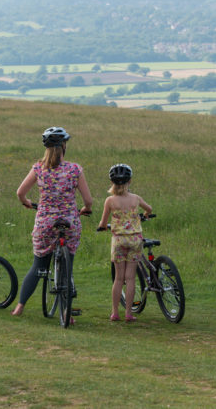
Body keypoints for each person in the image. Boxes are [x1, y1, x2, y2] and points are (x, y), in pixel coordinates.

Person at [11, 126, 93, 318]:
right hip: (70, 221)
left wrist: (27, 203)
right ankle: (67, 313)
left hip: (45, 222)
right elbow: (88, 201)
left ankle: (20, 307)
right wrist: (86, 209)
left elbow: (20, 193)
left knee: (38, 266)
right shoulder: (75, 169)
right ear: (64, 146)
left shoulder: (38, 168)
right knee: (68, 266)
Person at [97, 164, 152, 322]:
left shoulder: (110, 201)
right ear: (130, 181)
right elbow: (149, 208)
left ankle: (115, 313)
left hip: (119, 240)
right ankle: (128, 313)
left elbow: (103, 222)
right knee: (130, 278)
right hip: (135, 239)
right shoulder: (136, 199)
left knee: (119, 278)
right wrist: (145, 215)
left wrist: (102, 227)